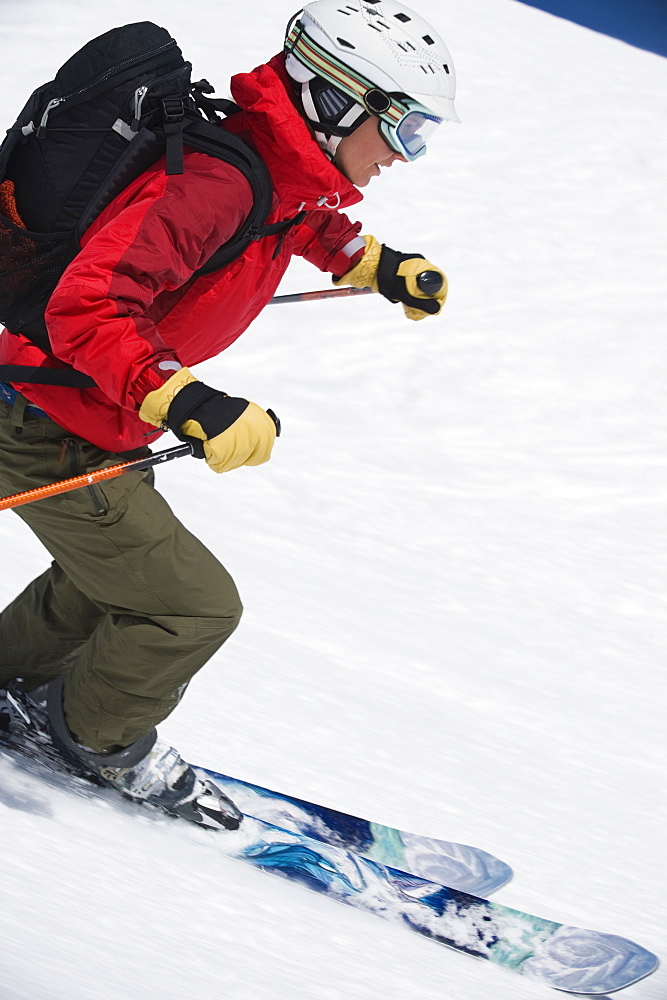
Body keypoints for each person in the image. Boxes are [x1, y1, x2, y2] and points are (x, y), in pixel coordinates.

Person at [0, 0, 458, 829]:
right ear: (336, 99)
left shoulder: (266, 159)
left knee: (108, 578)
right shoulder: (216, 180)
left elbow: (294, 216)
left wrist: (374, 264)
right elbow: (88, 305)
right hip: (48, 418)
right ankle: (95, 736)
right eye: (404, 126)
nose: (404, 151)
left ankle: (10, 681)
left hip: (73, 413)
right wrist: (186, 398)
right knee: (190, 606)